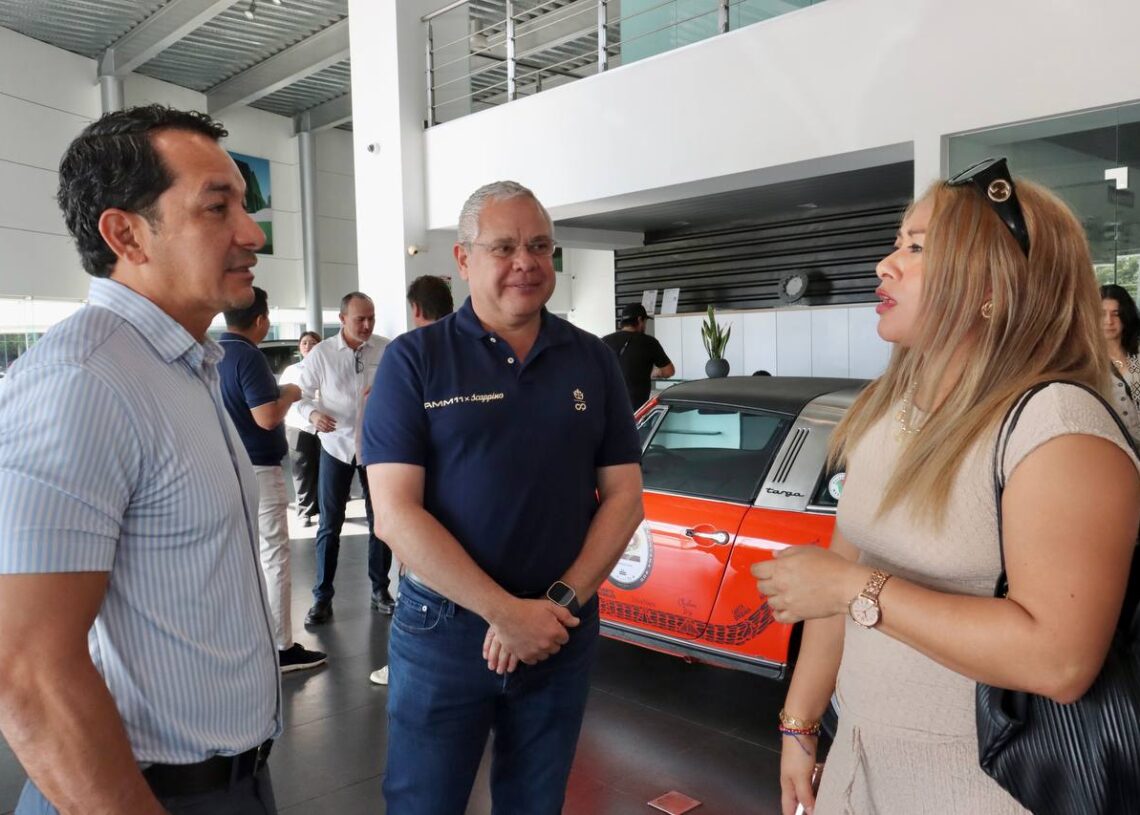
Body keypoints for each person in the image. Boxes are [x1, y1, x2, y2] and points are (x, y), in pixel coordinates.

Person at [753, 158, 1140, 815]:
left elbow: (1059, 661)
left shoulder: (1055, 424)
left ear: (992, 286)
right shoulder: (889, 406)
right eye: (897, 244)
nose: (885, 264)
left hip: (984, 784)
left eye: (917, 248)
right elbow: (844, 562)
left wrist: (858, 591)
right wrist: (800, 722)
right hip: (862, 761)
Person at [0, 105, 281, 814]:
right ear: (126, 234)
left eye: (244, 207)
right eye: (217, 208)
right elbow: (27, 671)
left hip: (235, 781)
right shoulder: (84, 380)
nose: (252, 235)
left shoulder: (185, 365)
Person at [362, 180, 644, 812]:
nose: (527, 262)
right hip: (444, 630)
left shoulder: (591, 359)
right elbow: (395, 513)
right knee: (423, 802)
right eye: (505, 247)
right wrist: (503, 612)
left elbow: (625, 497)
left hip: (560, 628)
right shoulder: (415, 360)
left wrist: (555, 605)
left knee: (536, 802)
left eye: (540, 246)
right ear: (464, 259)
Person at [219, 288, 327, 673]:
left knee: (237, 555)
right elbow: (266, 416)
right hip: (259, 470)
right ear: (262, 320)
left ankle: (243, 639)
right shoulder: (248, 356)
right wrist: (292, 393)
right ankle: (281, 646)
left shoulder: (213, 353)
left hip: (225, 467)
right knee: (274, 555)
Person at [368, 276, 456, 688]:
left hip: (420, 491)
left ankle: (403, 664)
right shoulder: (479, 349)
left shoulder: (407, 352)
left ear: (416, 310)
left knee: (415, 579)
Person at [294, 292, 393, 625]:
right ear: (342, 319)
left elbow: (404, 390)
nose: (367, 325)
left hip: (375, 446)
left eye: (371, 318)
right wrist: (313, 415)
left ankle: (380, 590)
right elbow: (300, 396)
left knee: (381, 522)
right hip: (335, 446)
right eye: (359, 319)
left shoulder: (386, 349)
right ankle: (322, 596)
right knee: (329, 524)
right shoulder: (322, 354)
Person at [281, 330, 323, 526]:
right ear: (300, 347)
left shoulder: (326, 366)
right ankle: (305, 511)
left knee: (324, 468)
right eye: (304, 342)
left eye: (313, 342)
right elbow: (284, 395)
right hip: (298, 424)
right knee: (301, 469)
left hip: (324, 424)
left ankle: (323, 508)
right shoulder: (291, 370)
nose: (308, 346)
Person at [601, 302, 675, 409]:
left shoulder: (604, 341)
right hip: (636, 409)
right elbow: (669, 371)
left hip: (608, 406)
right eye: (645, 321)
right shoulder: (649, 342)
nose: (645, 325)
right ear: (640, 320)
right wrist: (655, 372)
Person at [1101, 283, 1140, 440]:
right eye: (1102, 314)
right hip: (1115, 444)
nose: (1109, 321)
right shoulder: (1087, 361)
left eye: (1116, 314)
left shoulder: (1136, 354)